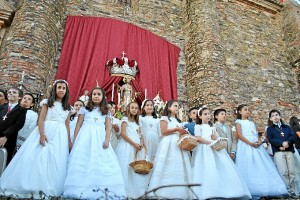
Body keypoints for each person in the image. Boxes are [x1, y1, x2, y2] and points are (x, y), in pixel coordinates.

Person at [0, 80, 71, 198]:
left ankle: (49, 186)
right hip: (46, 130)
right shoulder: (47, 103)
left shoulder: (68, 107)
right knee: (40, 157)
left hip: (60, 136)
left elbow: (67, 125)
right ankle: (31, 185)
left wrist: (68, 141)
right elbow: (41, 119)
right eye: (59, 87)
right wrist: (42, 134)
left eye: (63, 88)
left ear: (66, 91)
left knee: (55, 159)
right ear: (55, 89)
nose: (61, 90)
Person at [64, 87, 126, 199]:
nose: (96, 96)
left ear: (103, 97)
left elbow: (108, 127)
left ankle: (100, 187)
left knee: (99, 161)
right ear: (91, 96)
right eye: (94, 94)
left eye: (99, 94)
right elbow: (78, 124)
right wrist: (75, 140)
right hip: (85, 137)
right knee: (83, 161)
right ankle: (79, 188)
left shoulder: (105, 111)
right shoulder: (84, 109)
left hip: (100, 138)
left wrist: (107, 140)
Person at [192, 106, 251, 199]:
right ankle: (208, 191)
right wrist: (210, 142)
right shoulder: (198, 126)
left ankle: (224, 190)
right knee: (207, 168)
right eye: (205, 114)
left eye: (209, 114)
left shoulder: (212, 127)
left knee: (220, 168)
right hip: (205, 149)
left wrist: (216, 139)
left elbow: (217, 137)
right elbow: (198, 138)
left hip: (215, 148)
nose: (208, 116)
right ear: (200, 116)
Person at [235, 104, 287, 197]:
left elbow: (256, 134)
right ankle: (250, 188)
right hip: (245, 145)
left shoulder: (251, 123)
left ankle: (267, 187)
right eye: (245, 109)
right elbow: (239, 135)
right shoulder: (238, 122)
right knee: (248, 165)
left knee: (260, 164)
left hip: (256, 145)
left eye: (248, 109)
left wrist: (259, 142)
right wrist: (250, 143)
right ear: (240, 112)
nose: (247, 111)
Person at [148, 100, 192, 199]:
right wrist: (176, 129)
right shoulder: (164, 119)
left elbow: (179, 131)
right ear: (169, 108)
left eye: (178, 106)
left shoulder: (179, 121)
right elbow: (163, 131)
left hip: (178, 144)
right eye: (175, 106)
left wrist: (183, 132)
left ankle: (180, 191)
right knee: (167, 164)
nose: (177, 108)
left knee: (179, 165)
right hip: (168, 144)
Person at [116, 102, 149, 198]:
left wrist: (141, 144)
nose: (134, 109)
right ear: (128, 109)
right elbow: (123, 134)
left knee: (136, 168)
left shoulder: (138, 122)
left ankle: (136, 190)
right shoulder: (125, 120)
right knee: (126, 168)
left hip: (137, 148)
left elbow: (141, 135)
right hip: (128, 146)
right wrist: (133, 144)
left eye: (136, 108)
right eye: (132, 108)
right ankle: (125, 191)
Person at [267, 109, 296, 196]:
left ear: (280, 116)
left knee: (291, 171)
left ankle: (292, 190)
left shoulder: (287, 127)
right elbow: (271, 139)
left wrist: (287, 143)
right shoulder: (270, 129)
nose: (275, 117)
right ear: (270, 119)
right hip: (278, 152)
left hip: (289, 150)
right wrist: (281, 143)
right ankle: (286, 190)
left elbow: (292, 136)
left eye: (276, 115)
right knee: (283, 172)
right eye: (272, 116)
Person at [0, 87, 26, 164]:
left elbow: (18, 125)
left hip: (9, 139)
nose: (11, 93)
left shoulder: (21, 110)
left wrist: (5, 136)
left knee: (3, 161)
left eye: (14, 92)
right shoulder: (1, 107)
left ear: (20, 97)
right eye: (9, 92)